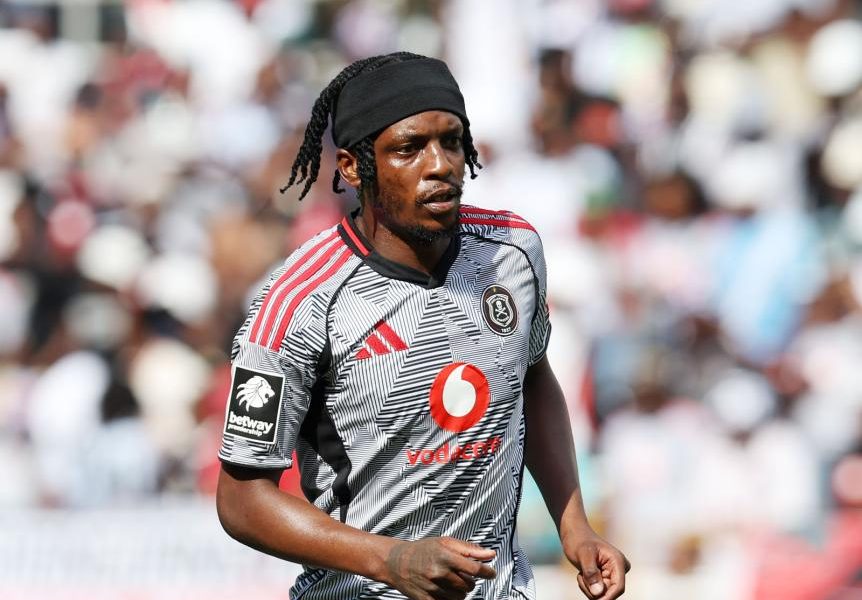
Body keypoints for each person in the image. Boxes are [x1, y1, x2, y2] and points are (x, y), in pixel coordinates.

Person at [216, 52, 629, 600]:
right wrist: (391, 560)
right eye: (409, 148)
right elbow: (241, 500)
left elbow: (532, 378)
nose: (440, 165)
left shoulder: (513, 252)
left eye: (452, 141)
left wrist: (573, 524)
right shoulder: (299, 301)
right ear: (353, 167)